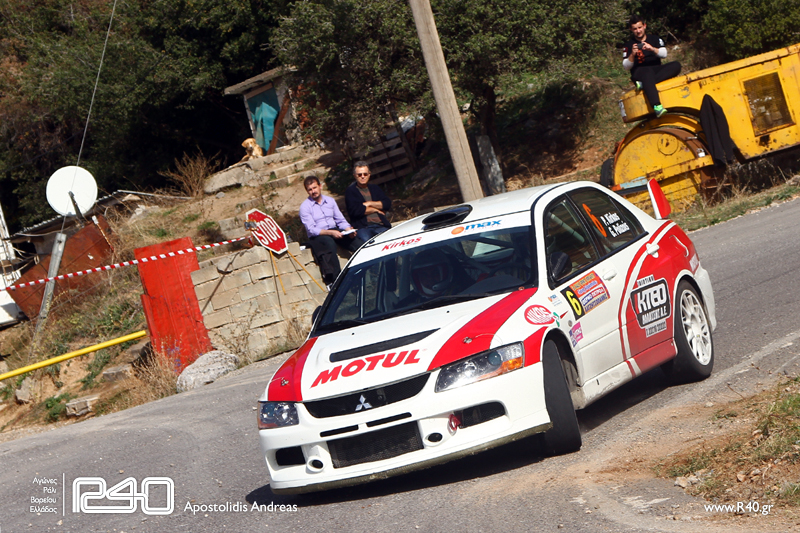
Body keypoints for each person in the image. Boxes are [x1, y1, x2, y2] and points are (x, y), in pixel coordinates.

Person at [299, 175, 364, 287]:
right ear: (307, 191)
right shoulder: (305, 207)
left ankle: (366, 270)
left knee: (357, 243)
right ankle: (337, 280)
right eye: (310, 190)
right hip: (319, 235)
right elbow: (312, 229)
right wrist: (331, 233)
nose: (313, 191)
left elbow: (340, 220)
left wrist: (348, 229)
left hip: (334, 230)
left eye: (314, 188)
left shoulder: (330, 201)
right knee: (329, 243)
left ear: (320, 186)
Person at [622, 15, 681, 118]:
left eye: (640, 27)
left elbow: (664, 54)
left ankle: (644, 84)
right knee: (647, 73)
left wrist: (652, 49)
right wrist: (632, 54)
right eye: (635, 29)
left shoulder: (654, 39)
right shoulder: (628, 45)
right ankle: (657, 106)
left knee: (676, 65)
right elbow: (626, 66)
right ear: (631, 29)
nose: (638, 31)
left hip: (656, 69)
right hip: (639, 72)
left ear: (644, 26)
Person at [344, 161, 392, 242]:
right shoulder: (351, 191)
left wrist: (369, 203)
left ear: (369, 174)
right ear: (355, 176)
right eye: (359, 175)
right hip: (363, 228)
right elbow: (355, 211)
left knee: (390, 241)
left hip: (381, 225)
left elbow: (387, 204)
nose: (363, 176)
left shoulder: (375, 188)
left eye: (365, 174)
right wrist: (375, 209)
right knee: (367, 244)